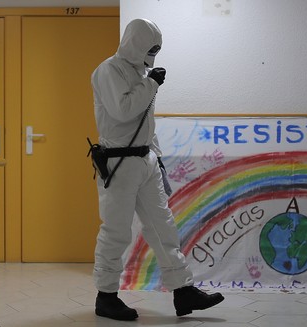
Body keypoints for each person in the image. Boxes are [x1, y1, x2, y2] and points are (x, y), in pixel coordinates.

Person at [90, 18, 224, 321]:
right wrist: (151, 83)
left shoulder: (141, 71)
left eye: (157, 49)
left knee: (164, 227)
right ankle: (106, 296)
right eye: (150, 47)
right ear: (135, 43)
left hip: (145, 159)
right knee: (116, 231)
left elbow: (145, 126)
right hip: (118, 162)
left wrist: (159, 161)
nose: (153, 54)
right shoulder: (108, 70)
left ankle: (183, 290)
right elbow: (123, 111)